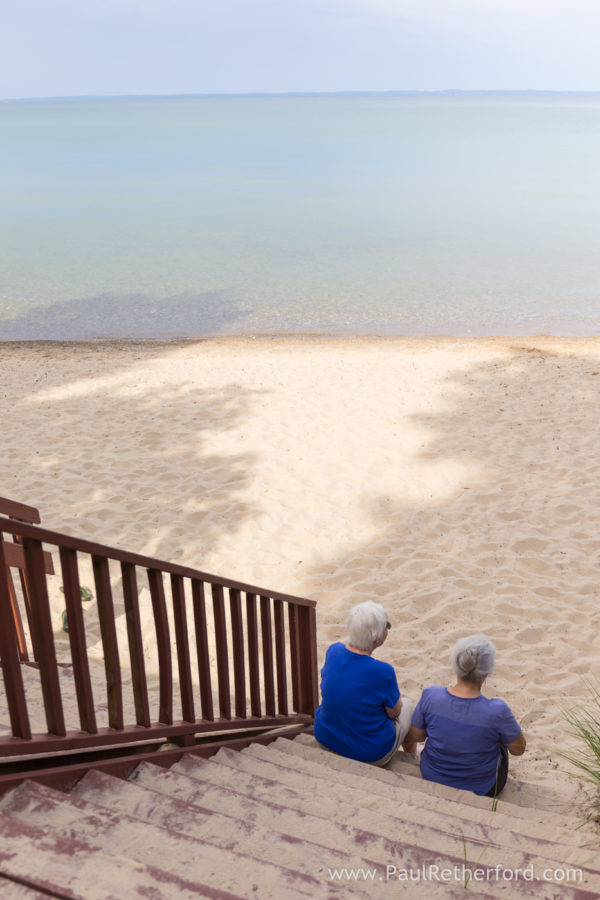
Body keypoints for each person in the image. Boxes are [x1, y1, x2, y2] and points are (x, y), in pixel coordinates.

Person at [408, 634, 526, 797]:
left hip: (432, 775)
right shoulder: (497, 710)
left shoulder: (431, 695)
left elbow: (416, 736)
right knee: (501, 738)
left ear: (456, 664)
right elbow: (518, 750)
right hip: (483, 788)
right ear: (487, 671)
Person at [313, 600, 415, 765]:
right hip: (369, 753)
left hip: (325, 738)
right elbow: (394, 712)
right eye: (386, 626)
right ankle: (411, 758)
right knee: (408, 706)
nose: (387, 630)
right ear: (377, 638)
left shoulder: (334, 651)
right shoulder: (383, 671)